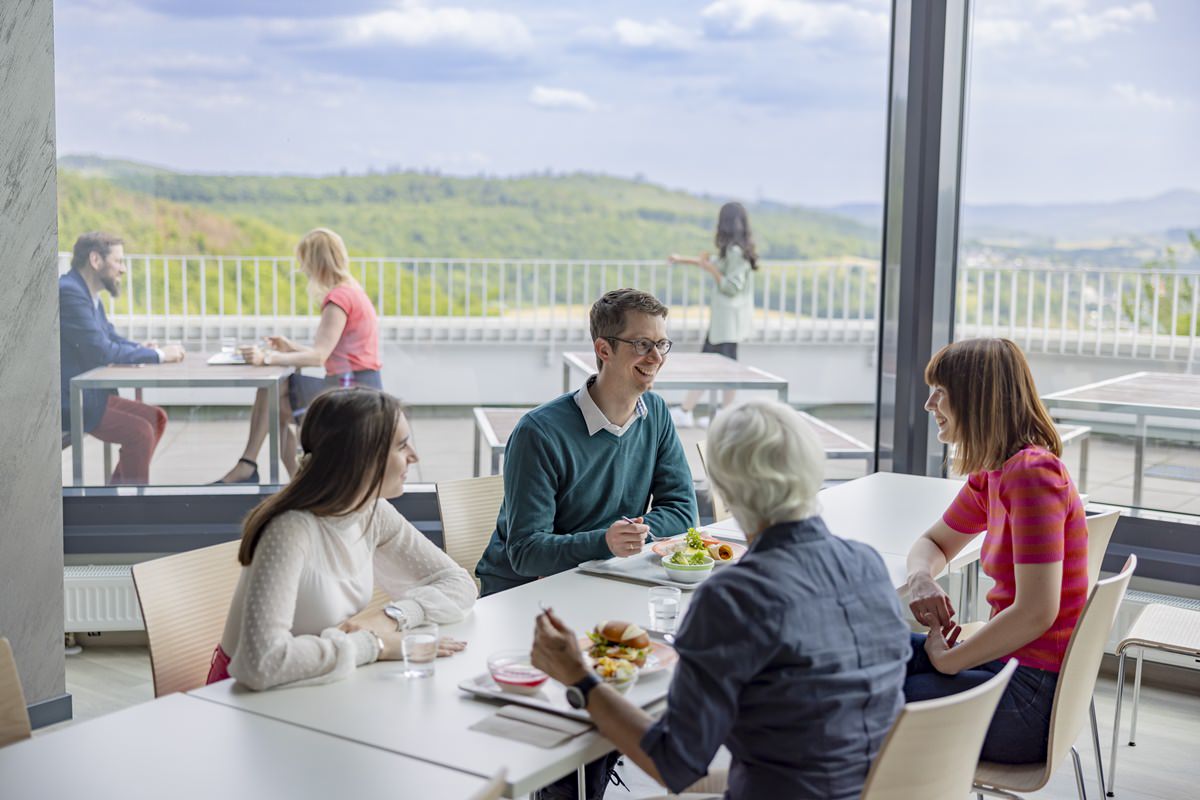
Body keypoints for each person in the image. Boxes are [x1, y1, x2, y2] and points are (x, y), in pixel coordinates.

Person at [532, 400, 911, 800]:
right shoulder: (867, 564)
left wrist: (579, 677)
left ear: (726, 490)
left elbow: (673, 762)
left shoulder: (733, 598)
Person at [210, 387, 477, 691]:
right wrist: (374, 645)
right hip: (245, 700)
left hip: (315, 685)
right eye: (402, 446)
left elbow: (458, 583)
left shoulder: (370, 511)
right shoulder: (290, 530)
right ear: (364, 458)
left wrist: (392, 616)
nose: (414, 456)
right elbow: (261, 663)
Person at [904, 337, 1088, 764]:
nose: (929, 404)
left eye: (941, 392)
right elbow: (931, 543)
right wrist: (920, 579)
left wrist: (950, 663)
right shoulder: (995, 474)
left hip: (1030, 698)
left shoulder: (1032, 475)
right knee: (872, 651)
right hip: (1009, 668)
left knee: (869, 699)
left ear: (976, 399)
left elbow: (1036, 612)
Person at [475, 288, 698, 597]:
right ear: (604, 350)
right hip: (524, 592)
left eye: (661, 344)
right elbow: (526, 551)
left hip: (607, 575)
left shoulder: (656, 414)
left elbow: (683, 511)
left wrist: (627, 537)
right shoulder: (538, 432)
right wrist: (606, 541)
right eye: (642, 344)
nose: (657, 357)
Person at [214, 227, 382, 483]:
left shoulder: (338, 299)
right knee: (278, 403)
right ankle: (294, 479)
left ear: (316, 262)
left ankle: (253, 467)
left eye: (304, 262)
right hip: (362, 385)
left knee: (272, 392)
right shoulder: (352, 291)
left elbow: (319, 357)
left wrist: (267, 358)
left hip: (349, 390)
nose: (303, 269)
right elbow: (335, 354)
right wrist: (290, 347)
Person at [60, 231, 185, 485]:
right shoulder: (70, 294)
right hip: (72, 401)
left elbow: (112, 338)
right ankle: (134, 508)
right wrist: (158, 355)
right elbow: (103, 351)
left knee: (155, 418)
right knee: (140, 432)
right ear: (96, 260)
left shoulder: (87, 295)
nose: (123, 269)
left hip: (90, 395)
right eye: (118, 261)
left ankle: (117, 497)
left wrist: (142, 348)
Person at [667, 201, 758, 429]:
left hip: (728, 322)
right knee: (714, 364)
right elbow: (708, 264)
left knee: (720, 365)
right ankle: (704, 412)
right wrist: (682, 260)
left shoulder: (735, 252)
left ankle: (703, 412)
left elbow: (731, 286)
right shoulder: (734, 251)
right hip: (725, 323)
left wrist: (711, 270)